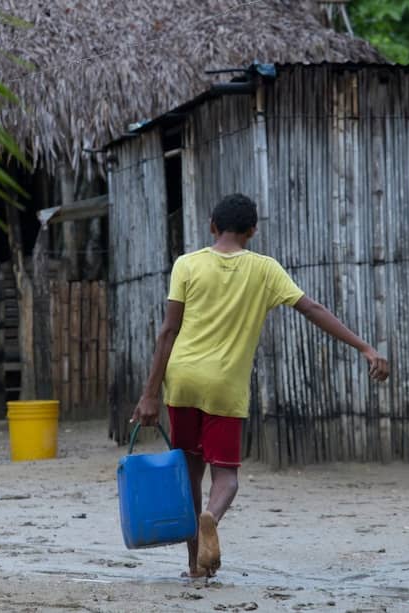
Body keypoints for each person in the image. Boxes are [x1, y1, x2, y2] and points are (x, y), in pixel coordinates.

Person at [130, 193, 390, 578]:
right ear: (252, 231)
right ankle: (211, 518)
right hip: (225, 385)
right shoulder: (265, 270)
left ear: (212, 227)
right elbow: (312, 309)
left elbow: (168, 331)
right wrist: (364, 346)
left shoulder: (187, 264)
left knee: (189, 475)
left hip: (182, 380)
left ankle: (194, 566)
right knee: (227, 477)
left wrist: (149, 394)